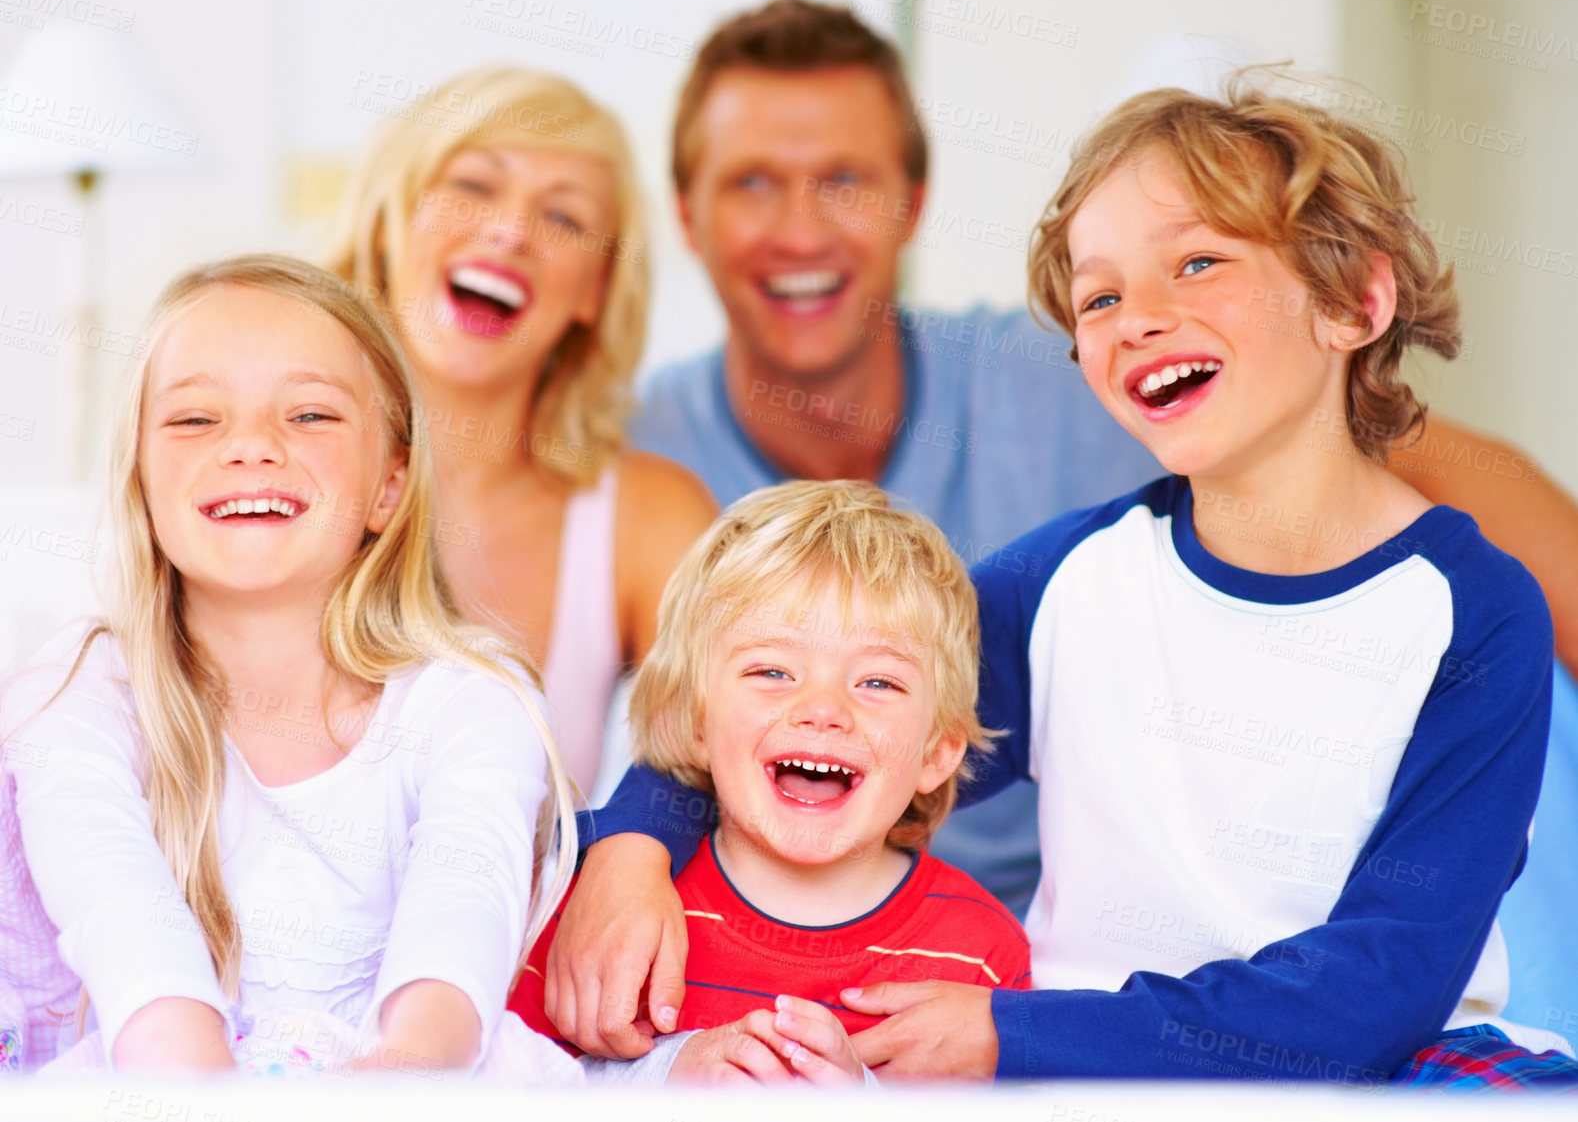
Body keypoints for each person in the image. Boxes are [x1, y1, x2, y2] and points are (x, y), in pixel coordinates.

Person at [543, 83, 1578, 1089]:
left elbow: (1384, 984)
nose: (1138, 318)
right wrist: (631, 845)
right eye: (1102, 295)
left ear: (1356, 301)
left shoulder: (1475, 613)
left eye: (1200, 261)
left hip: (1384, 1066)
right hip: (1082, 1078)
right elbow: (800, 704)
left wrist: (1014, 1035)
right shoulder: (1065, 585)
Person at [0, 256, 581, 1080]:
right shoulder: (77, 690)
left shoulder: (473, 696)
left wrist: (393, 1083)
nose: (252, 447)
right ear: (141, 481)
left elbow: (458, 944)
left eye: (310, 414)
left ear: (389, 486)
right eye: (195, 419)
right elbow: (128, 938)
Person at [510, 480, 1030, 1084]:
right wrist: (666, 1077)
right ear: (695, 722)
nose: (823, 708)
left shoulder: (982, 953)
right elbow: (501, 1084)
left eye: (878, 683)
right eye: (773, 671)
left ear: (938, 753)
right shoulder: (598, 916)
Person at [327, 65, 714, 804]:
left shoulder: (645, 515)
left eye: (564, 218)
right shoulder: (265, 465)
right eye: (474, 185)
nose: (509, 230)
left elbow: (732, 737)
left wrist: (634, 843)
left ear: (595, 292)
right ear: (389, 221)